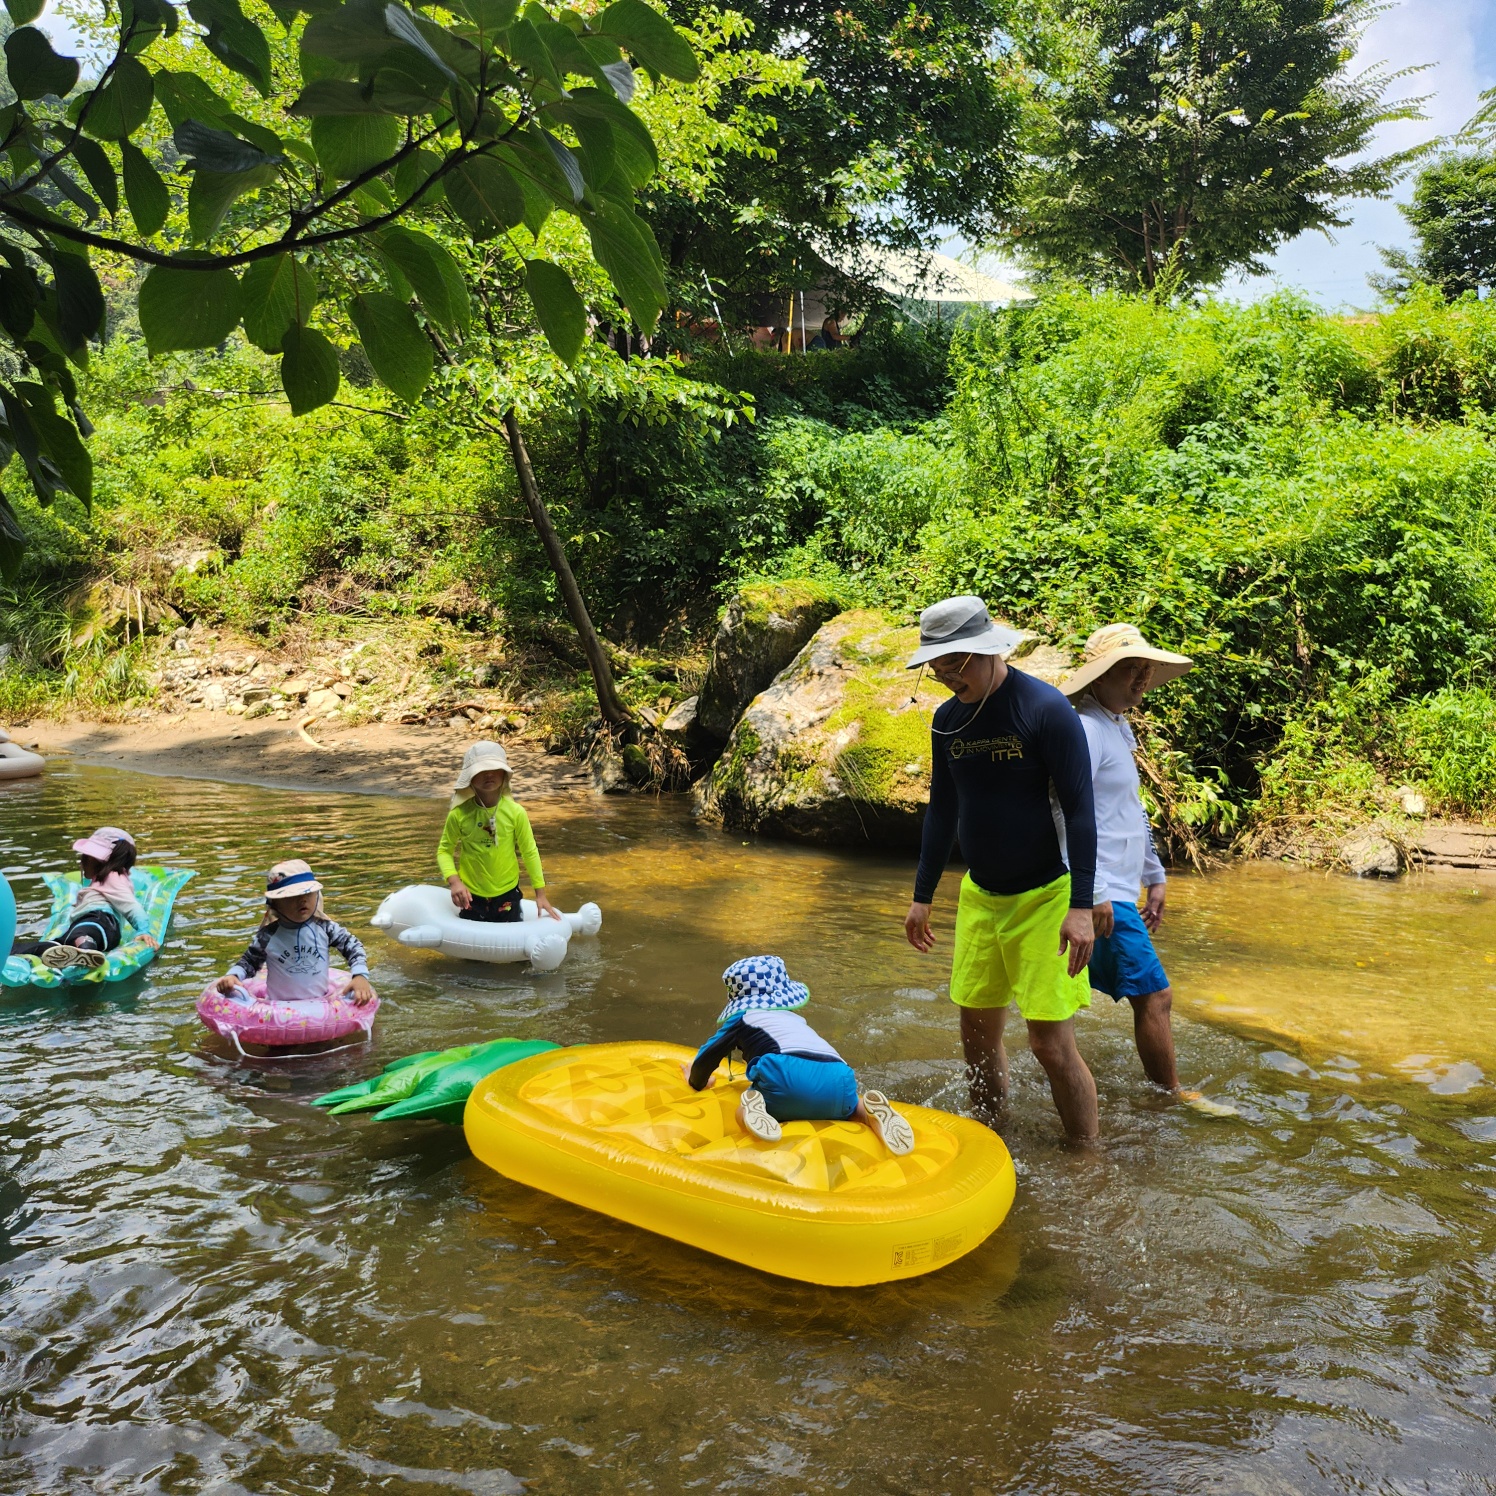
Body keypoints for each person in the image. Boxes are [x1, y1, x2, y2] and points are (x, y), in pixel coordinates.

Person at [902, 596, 1104, 1143]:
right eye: (935, 668)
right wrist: (923, 896)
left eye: (952, 665)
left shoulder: (1044, 709)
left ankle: (1087, 1156)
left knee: (1049, 1046)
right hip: (980, 896)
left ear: (982, 651)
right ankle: (990, 1138)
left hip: (1044, 898)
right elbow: (943, 811)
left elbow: (1082, 813)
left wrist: (1083, 906)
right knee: (975, 1034)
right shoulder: (947, 721)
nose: (943, 677)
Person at [1061, 624, 1233, 1115]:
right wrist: (1089, 889)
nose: (1141, 678)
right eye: (1129, 669)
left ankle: (1081, 1089)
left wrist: (1154, 873)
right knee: (1156, 997)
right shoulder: (1088, 730)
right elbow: (1063, 812)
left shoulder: (1117, 726)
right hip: (1100, 889)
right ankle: (1171, 1096)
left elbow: (1129, 810)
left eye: (1145, 669)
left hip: (1116, 884)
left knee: (1069, 1000)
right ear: (1098, 677)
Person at [683, 955, 916, 1154]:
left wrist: (696, 1081)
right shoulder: (794, 1019)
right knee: (853, 1106)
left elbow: (707, 1057)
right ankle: (870, 1113)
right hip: (840, 1074)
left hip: (784, 1074)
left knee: (740, 1110)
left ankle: (755, 1110)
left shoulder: (743, 1017)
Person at [213, 859, 374, 1006]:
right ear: (275, 904)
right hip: (278, 1009)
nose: (302, 900)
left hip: (322, 1005)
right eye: (293, 895)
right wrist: (233, 976)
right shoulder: (268, 935)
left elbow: (354, 947)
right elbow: (249, 962)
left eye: (307, 893)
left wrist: (360, 976)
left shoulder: (326, 928)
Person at [438, 741, 559, 925]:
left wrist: (540, 894)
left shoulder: (515, 812)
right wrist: (454, 882)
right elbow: (444, 851)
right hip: (471, 896)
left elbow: (529, 852)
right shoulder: (459, 814)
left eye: (495, 768)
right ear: (469, 777)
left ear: (504, 774)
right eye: (481, 770)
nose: (488, 774)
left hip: (508, 894)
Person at [11, 827, 155, 971]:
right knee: (58, 944)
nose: (82, 862)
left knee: (82, 933)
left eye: (85, 857)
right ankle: (14, 950)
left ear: (93, 859)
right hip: (88, 927)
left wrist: (143, 930)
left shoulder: (113, 877)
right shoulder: (103, 879)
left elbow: (131, 906)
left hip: (101, 921)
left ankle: (86, 949)